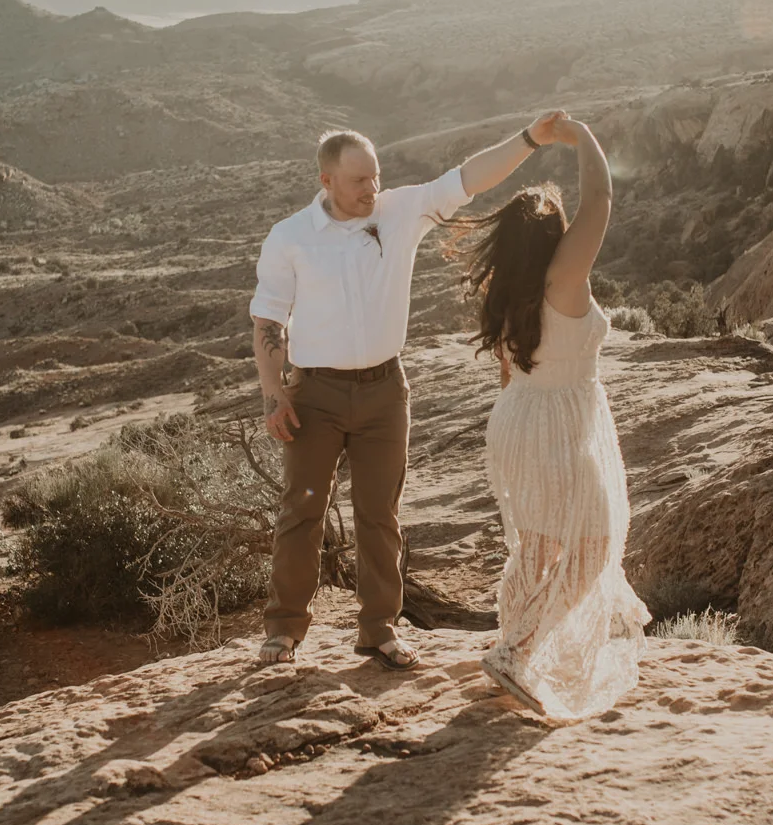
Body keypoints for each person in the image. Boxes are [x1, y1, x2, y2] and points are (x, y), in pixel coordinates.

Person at [250, 114, 565, 669]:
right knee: (301, 511)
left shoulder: (401, 210)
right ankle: (283, 632)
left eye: (375, 176)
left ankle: (378, 630)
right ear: (326, 181)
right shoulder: (290, 238)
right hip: (315, 394)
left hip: (384, 391)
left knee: (380, 514)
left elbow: (470, 178)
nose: (372, 188)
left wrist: (530, 139)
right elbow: (269, 320)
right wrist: (275, 394)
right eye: (358, 181)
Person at [461, 116, 648, 721]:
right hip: (559, 418)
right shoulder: (564, 280)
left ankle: (510, 642)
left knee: (540, 543)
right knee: (593, 545)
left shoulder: (508, 289)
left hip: (519, 415)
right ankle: (517, 650)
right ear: (552, 238)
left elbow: (507, 370)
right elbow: (602, 196)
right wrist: (583, 134)